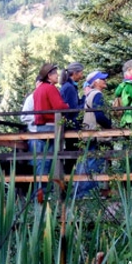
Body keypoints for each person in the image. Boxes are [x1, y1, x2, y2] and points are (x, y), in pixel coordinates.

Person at [74, 70, 112, 198]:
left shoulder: (90, 95)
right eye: (102, 79)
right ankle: (86, 194)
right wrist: (110, 126)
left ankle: (79, 194)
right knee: (92, 165)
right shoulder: (97, 95)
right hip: (96, 135)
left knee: (86, 163)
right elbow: (100, 116)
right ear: (96, 82)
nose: (105, 80)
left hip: (89, 134)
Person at [31, 63, 69, 188]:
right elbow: (58, 106)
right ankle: (51, 191)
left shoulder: (37, 90)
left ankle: (39, 191)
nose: (58, 75)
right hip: (51, 126)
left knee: (42, 159)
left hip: (40, 127)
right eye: (55, 73)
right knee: (53, 159)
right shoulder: (50, 88)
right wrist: (67, 106)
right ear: (49, 75)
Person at [59, 62, 85, 129]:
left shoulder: (69, 86)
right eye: (81, 73)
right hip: (71, 126)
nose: (82, 76)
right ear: (74, 73)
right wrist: (86, 104)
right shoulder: (69, 87)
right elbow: (73, 109)